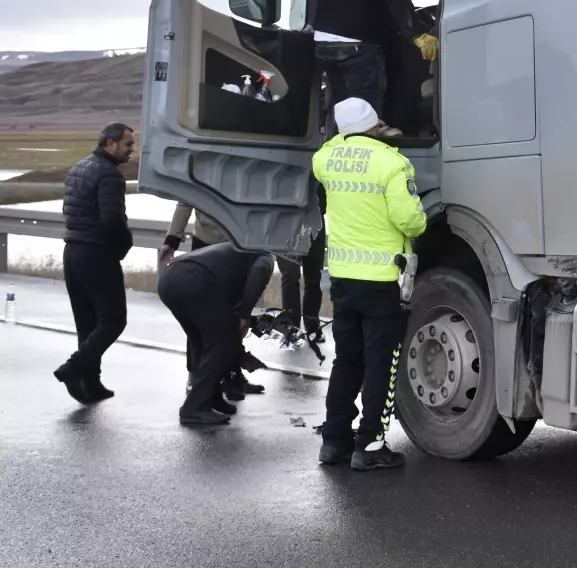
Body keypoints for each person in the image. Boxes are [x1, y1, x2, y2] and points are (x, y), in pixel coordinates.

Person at [313, 97, 427, 470]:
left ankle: (334, 443)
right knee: (381, 364)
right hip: (381, 281)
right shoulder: (392, 163)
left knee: (347, 360)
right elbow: (411, 222)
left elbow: (333, 149)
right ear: (376, 124)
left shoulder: (324, 159)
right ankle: (372, 446)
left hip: (343, 278)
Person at [302, 0, 438, 137]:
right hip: (357, 46)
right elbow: (398, 2)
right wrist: (419, 35)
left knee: (342, 105)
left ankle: (335, 152)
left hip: (324, 40)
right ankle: (368, 158)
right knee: (366, 113)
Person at [55, 122, 135, 404]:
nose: (131, 151)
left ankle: (91, 382)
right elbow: (112, 220)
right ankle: (73, 369)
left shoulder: (78, 167)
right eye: (127, 145)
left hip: (72, 251)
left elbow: (70, 210)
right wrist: (125, 244)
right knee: (113, 320)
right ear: (110, 144)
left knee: (87, 323)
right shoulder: (110, 175)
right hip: (96, 253)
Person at [156, 243, 274, 426]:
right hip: (195, 280)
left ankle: (211, 397)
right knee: (223, 342)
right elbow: (258, 273)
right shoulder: (265, 254)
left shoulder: (238, 248)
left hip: (169, 280)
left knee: (200, 340)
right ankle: (194, 408)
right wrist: (244, 315)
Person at [159, 202, 265, 398]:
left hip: (241, 240)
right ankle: (195, 376)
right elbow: (186, 199)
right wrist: (172, 239)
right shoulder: (203, 169)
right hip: (207, 242)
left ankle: (232, 376)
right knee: (201, 319)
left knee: (233, 315)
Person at [278, 183, 328, 342]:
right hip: (287, 223)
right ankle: (292, 328)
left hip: (312, 223)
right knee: (291, 276)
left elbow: (324, 202)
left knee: (313, 278)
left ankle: (311, 326)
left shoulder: (318, 163)